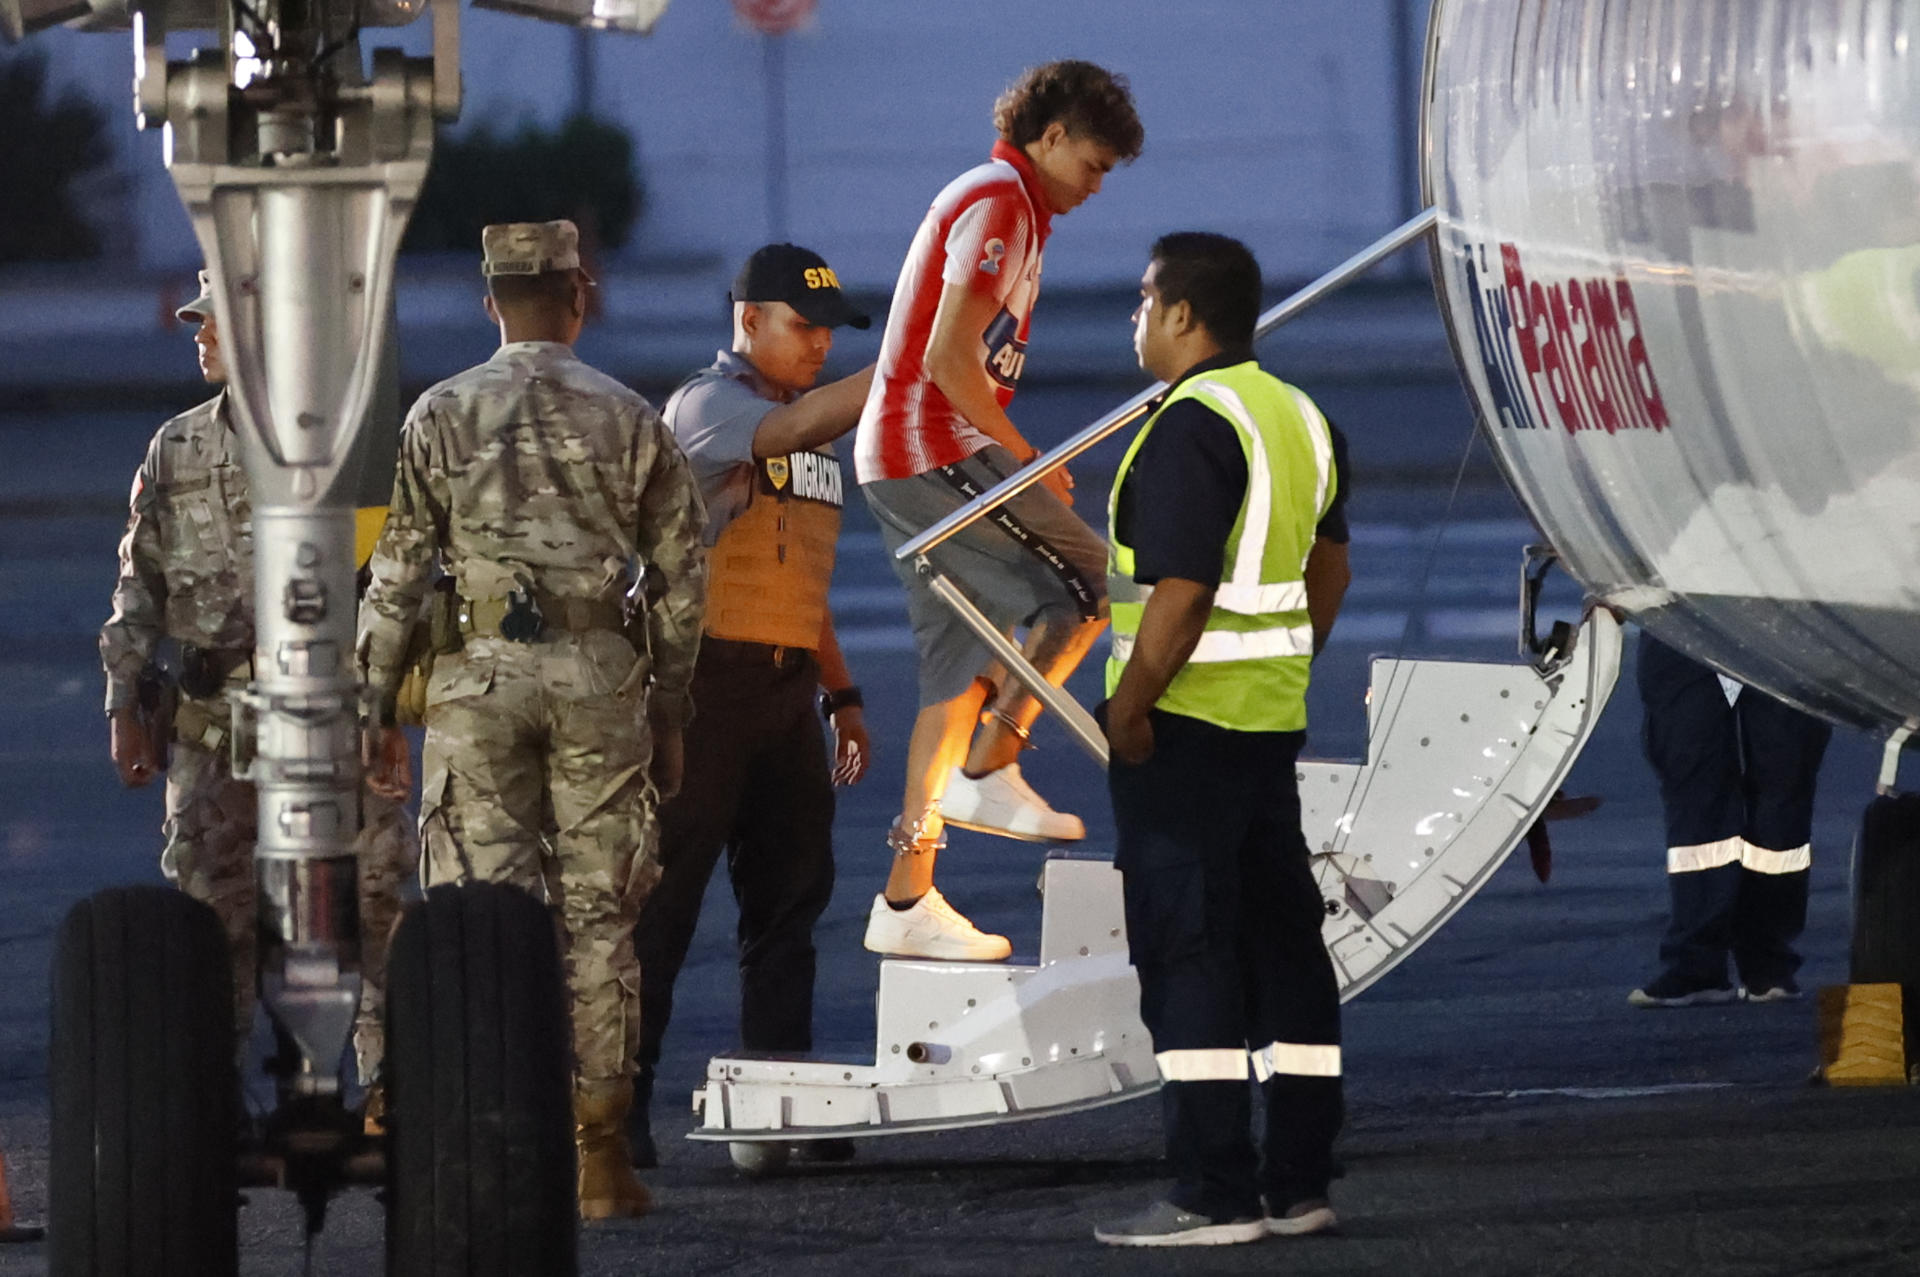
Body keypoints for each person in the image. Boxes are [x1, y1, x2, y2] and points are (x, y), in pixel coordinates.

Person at [357, 221, 707, 1220]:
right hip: (599, 674)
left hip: (474, 680)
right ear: (579, 295)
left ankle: (490, 1141)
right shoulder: (631, 416)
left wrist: (377, 703)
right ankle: (601, 1155)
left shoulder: (437, 413)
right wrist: (671, 705)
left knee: (478, 921)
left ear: (490, 304)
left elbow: (396, 575)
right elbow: (682, 578)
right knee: (601, 917)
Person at [1094, 233, 1352, 1247]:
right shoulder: (1302, 416)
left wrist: (1133, 702)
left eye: (1144, 300)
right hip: (1265, 724)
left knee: (1188, 947)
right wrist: (1286, 661)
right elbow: (1327, 571)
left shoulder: (1191, 425)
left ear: (1183, 316)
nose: (1136, 318)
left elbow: (1183, 590)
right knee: (1286, 947)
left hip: (1183, 730)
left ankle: (1211, 1189)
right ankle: (1297, 1181)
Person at [855, 59, 1145, 961]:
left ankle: (907, 901)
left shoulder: (1010, 203)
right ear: (1050, 136)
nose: (1097, 188)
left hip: (913, 452)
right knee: (1094, 581)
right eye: (1094, 165)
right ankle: (993, 759)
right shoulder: (1003, 202)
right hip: (929, 449)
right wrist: (1025, 462)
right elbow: (949, 359)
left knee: (950, 679)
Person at [100, 270, 416, 1097]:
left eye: (216, 322)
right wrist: (125, 697)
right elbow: (141, 582)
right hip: (214, 726)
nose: (199, 333)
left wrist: (384, 710)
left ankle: (395, 1093)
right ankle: (206, 1112)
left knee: (376, 905)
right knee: (213, 921)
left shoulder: (346, 446)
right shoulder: (177, 447)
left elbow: (395, 583)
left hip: (330, 714)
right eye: (200, 321)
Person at [629, 244, 875, 1165]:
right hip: (701, 685)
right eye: (803, 326)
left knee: (789, 900)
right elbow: (797, 429)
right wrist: (908, 364)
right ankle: (618, 1104)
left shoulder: (798, 419)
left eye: (828, 331)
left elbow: (801, 575)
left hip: (784, 687)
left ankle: (785, 1096)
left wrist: (841, 691)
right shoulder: (708, 406)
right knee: (665, 902)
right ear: (748, 322)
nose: (818, 344)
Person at [1628, 632, 1831, 1007]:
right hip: (1679, 614)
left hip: (1784, 618)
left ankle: (1766, 960)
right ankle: (1698, 964)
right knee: (1695, 787)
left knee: (1782, 788)